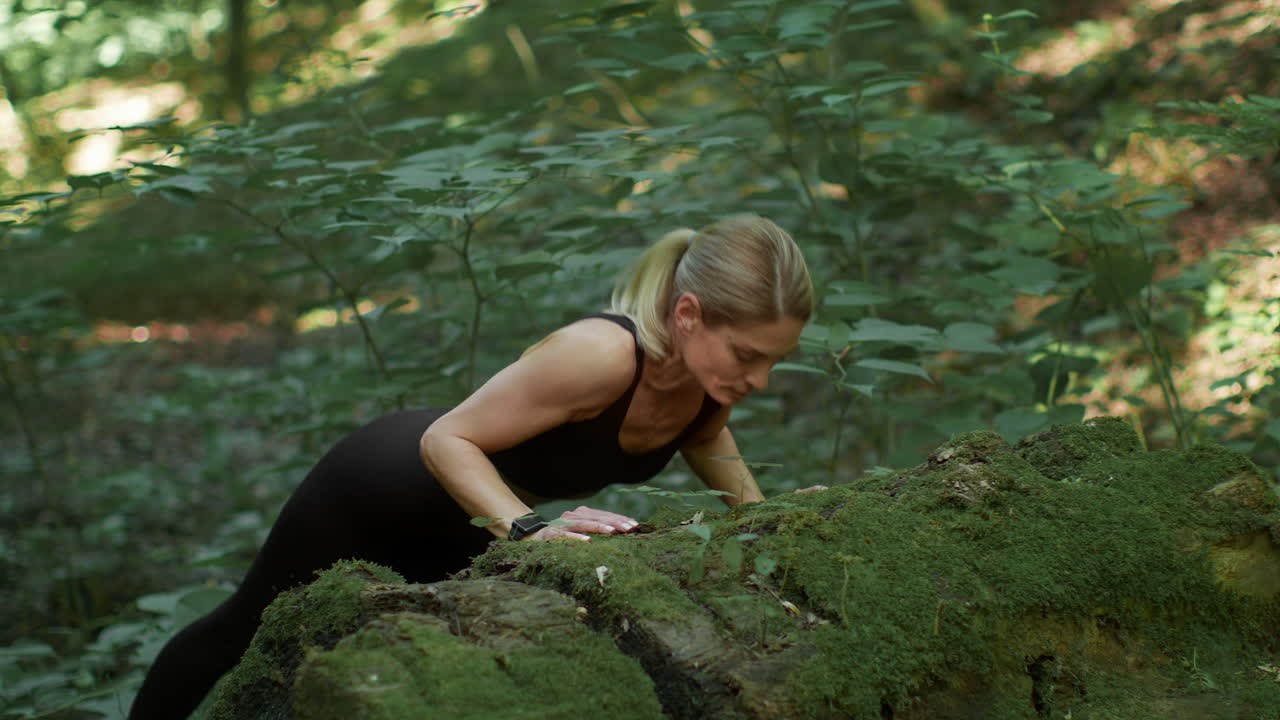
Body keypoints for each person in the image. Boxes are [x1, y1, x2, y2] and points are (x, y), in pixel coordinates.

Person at [127, 214, 815, 719]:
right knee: (240, 630)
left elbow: (705, 443)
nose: (759, 378)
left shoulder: (705, 386)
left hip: (473, 520)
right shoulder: (600, 355)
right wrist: (527, 530)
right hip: (384, 489)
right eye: (747, 355)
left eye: (773, 361)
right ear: (688, 315)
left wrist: (766, 517)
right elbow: (447, 438)